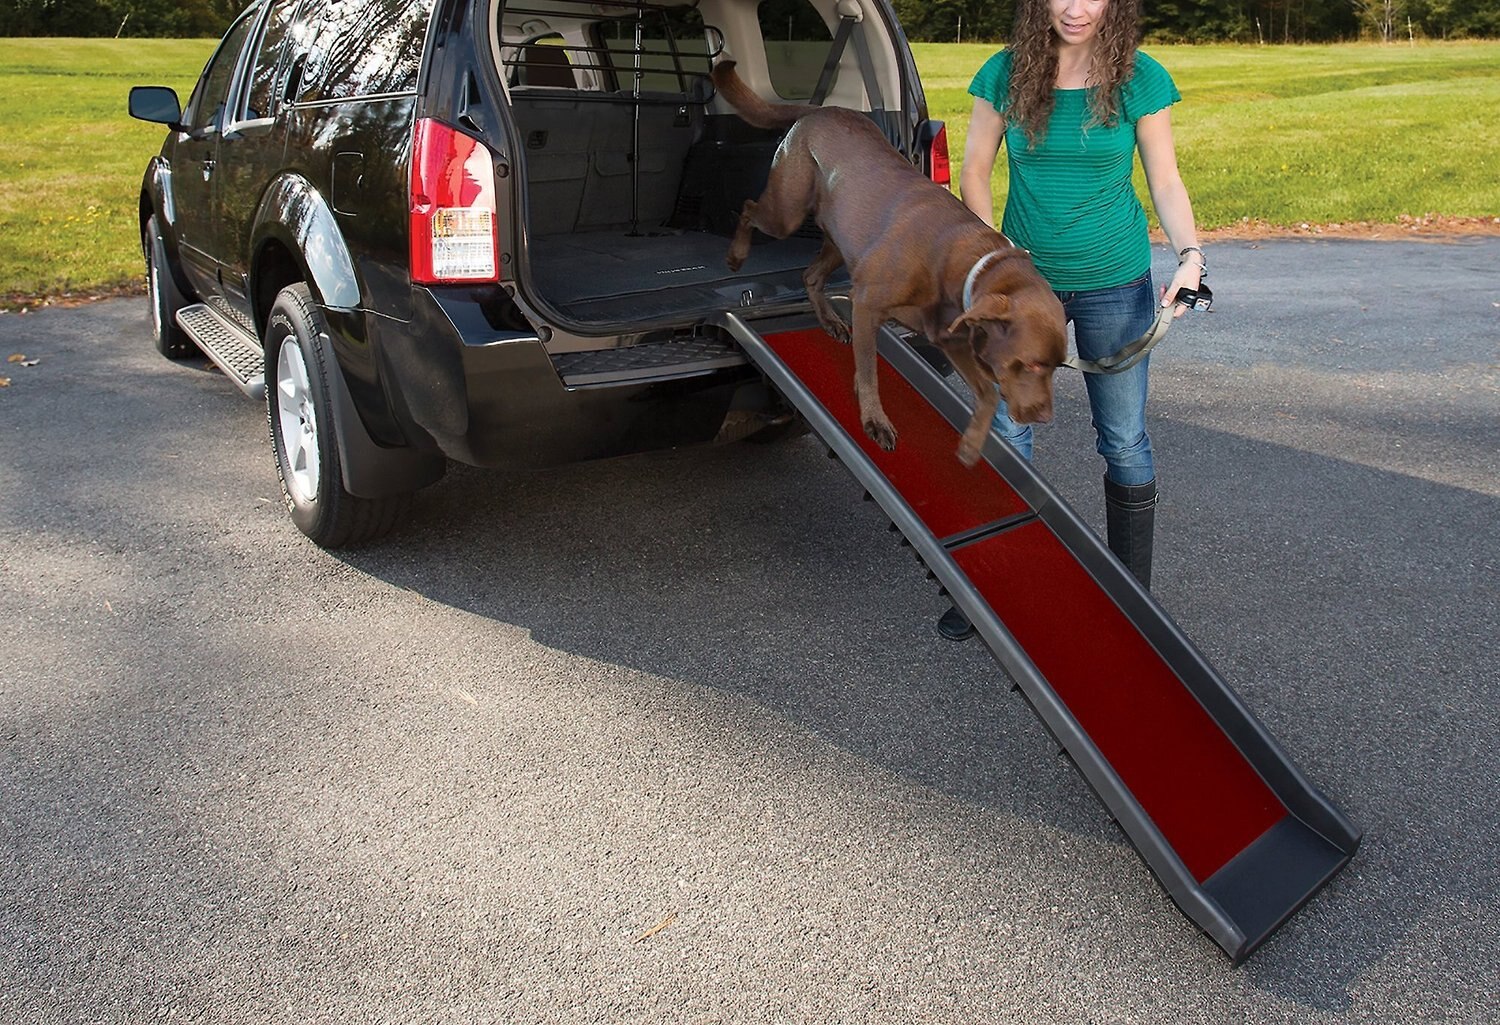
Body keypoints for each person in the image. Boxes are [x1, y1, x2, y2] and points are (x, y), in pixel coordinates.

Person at [937, 0, 1206, 642]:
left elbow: (1164, 179)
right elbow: (975, 168)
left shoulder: (1140, 78)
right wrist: (993, 256)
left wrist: (1191, 255)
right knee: (1009, 431)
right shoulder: (1005, 73)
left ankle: (1131, 596)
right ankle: (991, 586)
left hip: (1117, 282)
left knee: (1123, 439)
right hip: (1028, 292)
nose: (1077, 8)